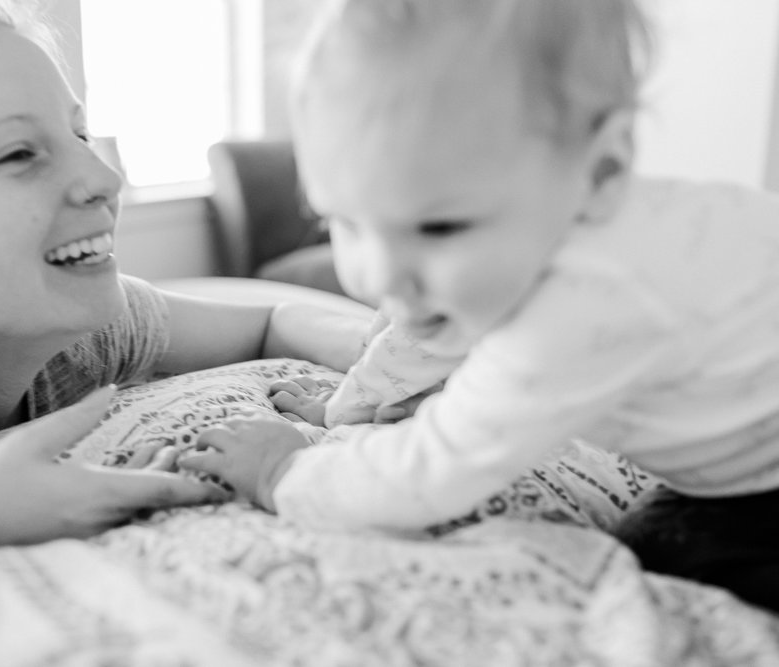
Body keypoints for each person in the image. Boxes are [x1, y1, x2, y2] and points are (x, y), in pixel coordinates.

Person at [181, 0, 779, 610]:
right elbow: (418, 336)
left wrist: (281, 474)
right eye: (344, 220)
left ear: (601, 170)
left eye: (439, 227)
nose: (379, 273)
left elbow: (426, 474)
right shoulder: (524, 239)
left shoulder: (579, 307)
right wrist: (347, 405)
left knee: (655, 559)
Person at [0, 0, 370, 594]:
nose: (104, 179)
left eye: (78, 132)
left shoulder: (77, 332)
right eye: (17, 154)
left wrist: (388, 351)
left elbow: (272, 321)